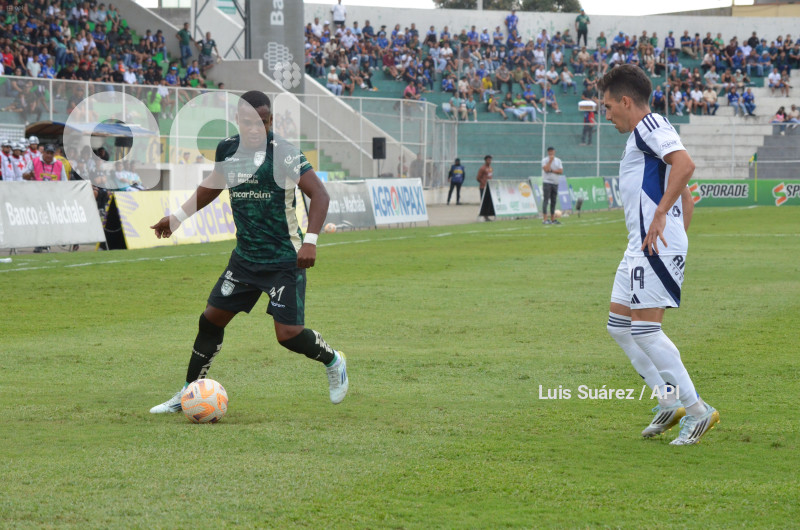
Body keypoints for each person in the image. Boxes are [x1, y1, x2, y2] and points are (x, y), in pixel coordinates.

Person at [148, 91, 349, 414]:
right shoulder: (228, 149)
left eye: (264, 122)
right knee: (210, 321)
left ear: (271, 121)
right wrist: (176, 218)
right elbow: (213, 184)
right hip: (245, 259)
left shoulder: (283, 153)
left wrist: (310, 240)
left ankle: (334, 360)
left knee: (288, 335)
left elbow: (319, 194)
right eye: (249, 122)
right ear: (238, 120)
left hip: (285, 257)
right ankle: (188, 393)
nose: (257, 128)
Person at [598, 64, 718, 445]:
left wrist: (663, 217)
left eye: (607, 106)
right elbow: (684, 189)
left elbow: (685, 166)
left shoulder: (649, 126)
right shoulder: (646, 135)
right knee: (619, 327)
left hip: (654, 245)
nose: (606, 113)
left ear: (625, 101)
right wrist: (676, 224)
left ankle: (697, 410)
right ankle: (669, 402)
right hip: (641, 245)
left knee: (647, 331)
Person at [540, 147, 562, 225]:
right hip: (547, 182)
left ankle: (553, 219)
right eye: (549, 152)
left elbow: (560, 171)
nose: (551, 153)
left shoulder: (558, 160)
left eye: (552, 151)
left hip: (555, 183)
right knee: (546, 200)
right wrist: (550, 161)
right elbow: (546, 169)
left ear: (554, 152)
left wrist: (552, 171)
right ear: (548, 152)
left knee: (553, 201)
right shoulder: (544, 160)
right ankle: (545, 219)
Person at [476, 155, 493, 220]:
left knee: (488, 202)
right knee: (483, 202)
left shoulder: (490, 168)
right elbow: (478, 178)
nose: (489, 161)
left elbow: (490, 177)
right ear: (485, 160)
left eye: (490, 160)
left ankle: (486, 215)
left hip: (489, 188)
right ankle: (482, 215)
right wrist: (483, 183)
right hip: (483, 187)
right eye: (488, 160)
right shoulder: (482, 168)